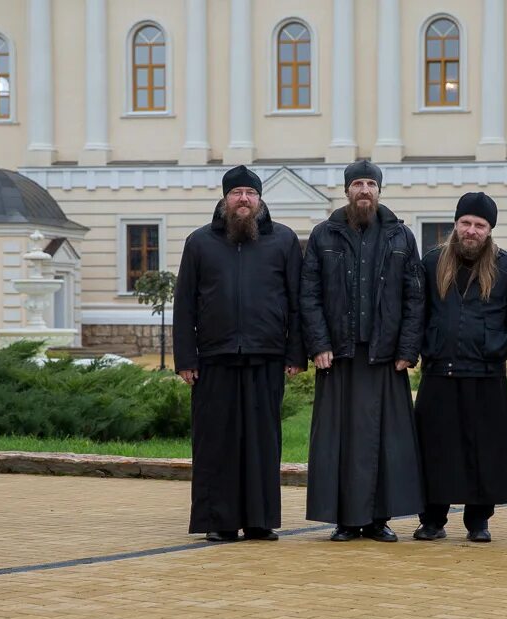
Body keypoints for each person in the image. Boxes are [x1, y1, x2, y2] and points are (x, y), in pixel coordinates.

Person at [173, 165, 306, 543]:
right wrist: (186, 359)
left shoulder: (282, 241)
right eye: (236, 193)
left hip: (266, 357)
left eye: (250, 193)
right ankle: (220, 520)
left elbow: (296, 303)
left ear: (260, 200)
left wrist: (296, 353)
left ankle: (261, 520)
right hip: (215, 359)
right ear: (225, 199)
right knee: (217, 442)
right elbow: (184, 304)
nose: (243, 199)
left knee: (263, 442)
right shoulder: (200, 242)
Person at [300, 159, 425, 542]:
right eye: (358, 184)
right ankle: (344, 520)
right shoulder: (324, 235)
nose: (365, 190)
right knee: (340, 442)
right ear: (347, 190)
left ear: (379, 190)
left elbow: (415, 297)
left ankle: (378, 520)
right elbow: (310, 295)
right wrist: (319, 344)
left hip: (385, 358)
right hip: (339, 357)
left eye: (371, 183)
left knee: (384, 443)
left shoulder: (401, 236)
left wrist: (407, 348)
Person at [413, 192, 507, 543]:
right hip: (438, 370)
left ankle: (479, 521)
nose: (471, 231)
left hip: (485, 371)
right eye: (466, 223)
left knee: (485, 451)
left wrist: (495, 342)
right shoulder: (431, 263)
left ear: (490, 229)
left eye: (480, 225)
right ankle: (432, 519)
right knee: (434, 449)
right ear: (455, 224)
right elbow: (419, 312)